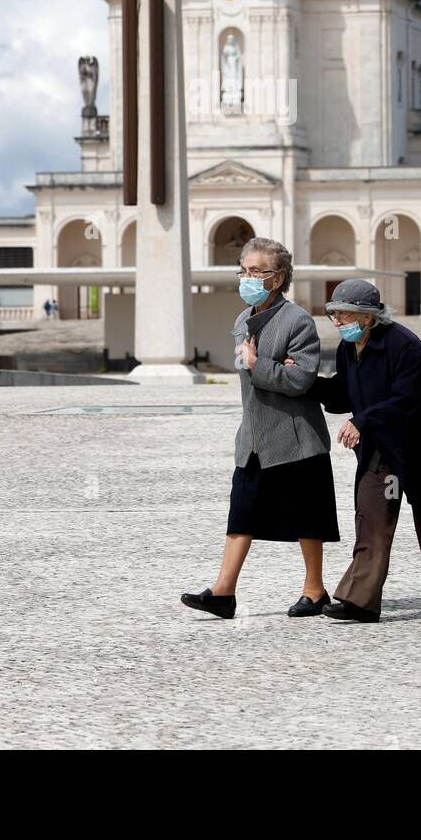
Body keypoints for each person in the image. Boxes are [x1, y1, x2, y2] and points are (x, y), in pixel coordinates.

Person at [181, 237, 339, 621]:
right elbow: (275, 375)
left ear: (278, 276)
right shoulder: (242, 319)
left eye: (257, 271)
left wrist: (258, 364)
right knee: (241, 513)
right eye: (244, 270)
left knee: (307, 517)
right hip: (253, 437)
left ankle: (315, 590)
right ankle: (223, 592)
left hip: (295, 436)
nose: (248, 277)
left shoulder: (297, 320)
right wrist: (272, 367)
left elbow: (301, 380)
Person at [312, 279, 421, 623]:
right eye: (334, 314)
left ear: (368, 317)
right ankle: (360, 602)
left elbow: (406, 399)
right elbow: (343, 393)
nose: (337, 321)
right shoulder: (348, 349)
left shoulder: (404, 344)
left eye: (343, 315)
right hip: (380, 452)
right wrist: (307, 384)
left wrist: (362, 422)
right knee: (371, 518)